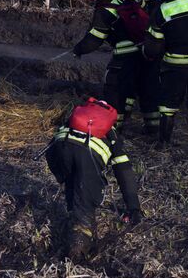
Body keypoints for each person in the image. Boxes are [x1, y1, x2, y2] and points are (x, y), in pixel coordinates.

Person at [44, 98, 142, 260]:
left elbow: (56, 145)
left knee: (74, 182)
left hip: (56, 151)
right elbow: (124, 171)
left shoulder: (73, 119)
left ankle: (72, 214)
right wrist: (134, 207)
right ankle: (77, 253)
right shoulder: (111, 133)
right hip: (84, 155)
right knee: (85, 203)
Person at [72, 0, 155, 132]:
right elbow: (147, 9)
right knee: (143, 87)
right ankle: (153, 128)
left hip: (125, 53)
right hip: (146, 48)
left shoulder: (105, 9)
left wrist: (79, 49)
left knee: (114, 86)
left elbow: (95, 38)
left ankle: (115, 126)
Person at [142, 0, 188, 149]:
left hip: (175, 65)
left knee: (168, 104)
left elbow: (153, 47)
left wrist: (147, 53)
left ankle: (164, 143)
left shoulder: (161, 10)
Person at [122, 0, 163, 134]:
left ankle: (128, 122)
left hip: (150, 39)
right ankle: (153, 127)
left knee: (140, 81)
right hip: (163, 38)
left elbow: (137, 12)